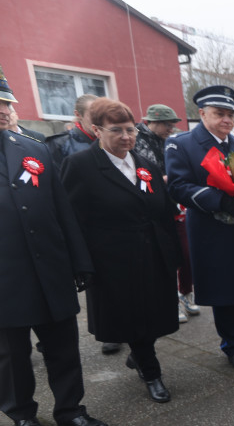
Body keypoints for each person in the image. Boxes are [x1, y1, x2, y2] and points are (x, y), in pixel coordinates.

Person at [0, 66, 109, 426]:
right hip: (6, 277)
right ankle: (22, 414)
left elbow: (63, 210)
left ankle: (70, 410)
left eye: (6, 102)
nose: (2, 109)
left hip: (50, 269)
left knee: (63, 346)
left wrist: (80, 261)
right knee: (11, 355)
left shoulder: (33, 148)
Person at [63, 98, 181, 403]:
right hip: (113, 259)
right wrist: (81, 263)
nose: (127, 137)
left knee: (156, 315)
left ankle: (139, 354)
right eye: (117, 130)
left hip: (153, 252)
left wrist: (174, 251)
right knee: (132, 316)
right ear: (97, 130)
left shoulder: (146, 167)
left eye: (131, 130)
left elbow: (164, 211)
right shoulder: (81, 166)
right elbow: (73, 219)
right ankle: (151, 371)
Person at [165, 85, 234, 371]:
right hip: (212, 230)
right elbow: (178, 187)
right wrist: (220, 200)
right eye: (219, 113)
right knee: (225, 290)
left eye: (230, 114)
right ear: (202, 114)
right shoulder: (182, 144)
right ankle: (232, 345)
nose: (227, 120)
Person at [133, 103, 198, 324]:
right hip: (153, 208)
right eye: (167, 125)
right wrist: (169, 180)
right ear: (151, 122)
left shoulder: (172, 142)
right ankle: (172, 300)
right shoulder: (138, 142)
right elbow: (144, 176)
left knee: (187, 253)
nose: (171, 128)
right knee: (165, 256)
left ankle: (186, 292)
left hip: (177, 203)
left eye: (173, 124)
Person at [46, 93, 97, 174]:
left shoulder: (111, 141)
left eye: (102, 114)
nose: (98, 119)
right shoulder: (59, 143)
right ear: (78, 114)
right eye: (92, 114)